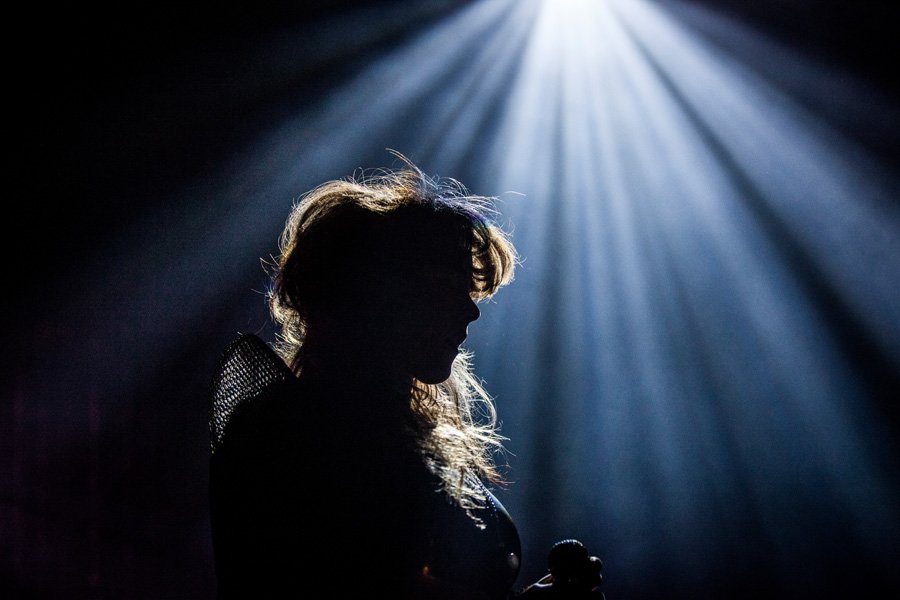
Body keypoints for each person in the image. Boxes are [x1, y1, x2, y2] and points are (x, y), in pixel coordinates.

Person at [208, 158, 602, 598]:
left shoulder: (387, 431)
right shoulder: (283, 430)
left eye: (467, 292)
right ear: (369, 295)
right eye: (441, 288)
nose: (471, 310)